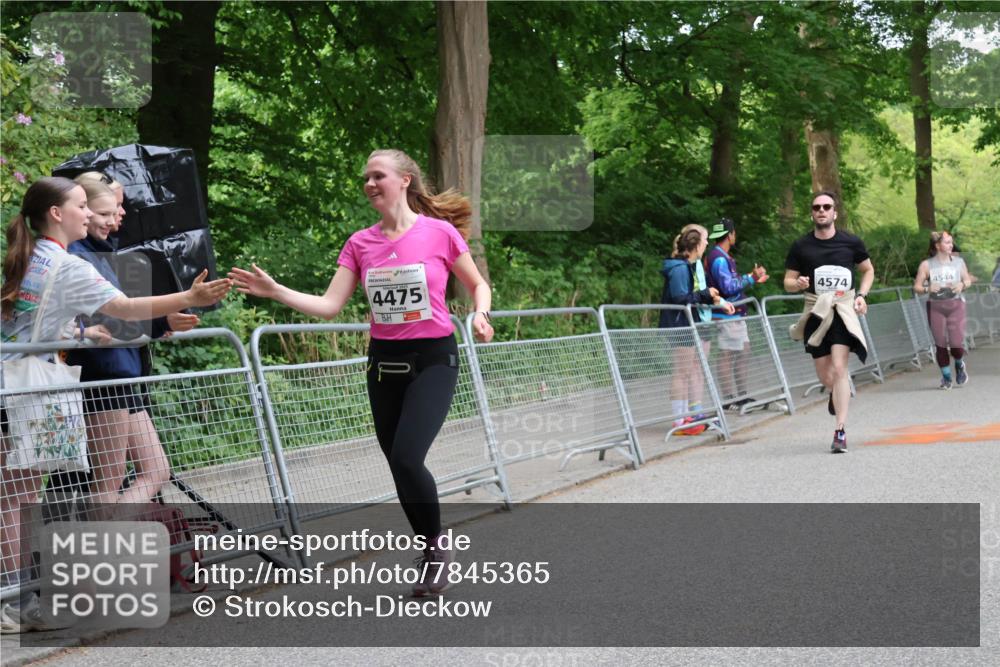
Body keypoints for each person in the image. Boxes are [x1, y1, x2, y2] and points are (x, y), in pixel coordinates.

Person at [229, 149, 493, 597]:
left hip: (433, 359)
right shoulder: (360, 242)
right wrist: (276, 292)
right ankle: (430, 546)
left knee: (409, 457)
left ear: (405, 180)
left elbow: (477, 283)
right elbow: (329, 306)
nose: (370, 184)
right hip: (383, 365)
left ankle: (434, 550)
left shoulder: (440, 233)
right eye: (365, 178)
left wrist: (480, 315)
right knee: (399, 466)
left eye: (378, 176)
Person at [0, 177, 230, 633]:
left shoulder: (30, 258)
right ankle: (15, 602)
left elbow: (27, 325)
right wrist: (189, 297)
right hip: (34, 392)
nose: (88, 214)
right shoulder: (64, 264)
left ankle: (19, 600)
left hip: (16, 385)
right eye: (82, 206)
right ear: (56, 214)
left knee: (14, 496)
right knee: (17, 497)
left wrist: (80, 335)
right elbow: (123, 307)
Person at [66, 177, 201, 510]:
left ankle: (108, 539)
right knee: (107, 481)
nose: (119, 216)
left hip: (124, 371)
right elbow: (113, 316)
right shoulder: (77, 256)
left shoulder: (107, 250)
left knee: (155, 469)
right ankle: (101, 550)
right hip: (104, 374)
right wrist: (173, 308)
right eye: (107, 210)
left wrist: (160, 323)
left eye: (119, 208)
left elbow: (121, 315)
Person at [783, 191, 874, 453]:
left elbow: (867, 270)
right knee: (826, 375)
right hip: (816, 310)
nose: (821, 210)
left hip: (843, 309)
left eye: (827, 206)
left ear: (835, 212)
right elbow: (788, 282)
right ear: (812, 213)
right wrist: (797, 283)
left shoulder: (851, 242)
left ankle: (840, 431)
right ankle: (837, 393)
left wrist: (862, 295)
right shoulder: (801, 246)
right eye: (816, 207)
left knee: (840, 366)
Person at [659, 224, 734, 436]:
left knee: (685, 371)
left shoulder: (687, 266)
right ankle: (679, 420)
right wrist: (706, 294)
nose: (707, 244)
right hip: (679, 324)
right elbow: (680, 297)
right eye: (704, 241)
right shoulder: (680, 268)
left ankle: (686, 417)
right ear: (695, 245)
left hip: (686, 324)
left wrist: (707, 294)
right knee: (681, 372)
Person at [704, 218, 769, 410]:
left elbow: (730, 283)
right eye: (734, 233)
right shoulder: (719, 258)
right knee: (727, 354)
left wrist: (752, 280)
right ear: (730, 234)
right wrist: (751, 277)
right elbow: (728, 287)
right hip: (727, 315)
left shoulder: (720, 255)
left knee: (742, 352)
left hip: (734, 314)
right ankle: (729, 399)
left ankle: (741, 396)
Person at [913, 231, 972, 389]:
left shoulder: (958, 262)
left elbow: (967, 280)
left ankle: (959, 364)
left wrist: (962, 284)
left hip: (955, 305)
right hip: (936, 307)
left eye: (951, 242)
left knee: (956, 344)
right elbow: (917, 287)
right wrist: (928, 288)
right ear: (937, 246)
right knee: (940, 343)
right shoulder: (926, 265)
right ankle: (946, 377)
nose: (951, 245)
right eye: (947, 242)